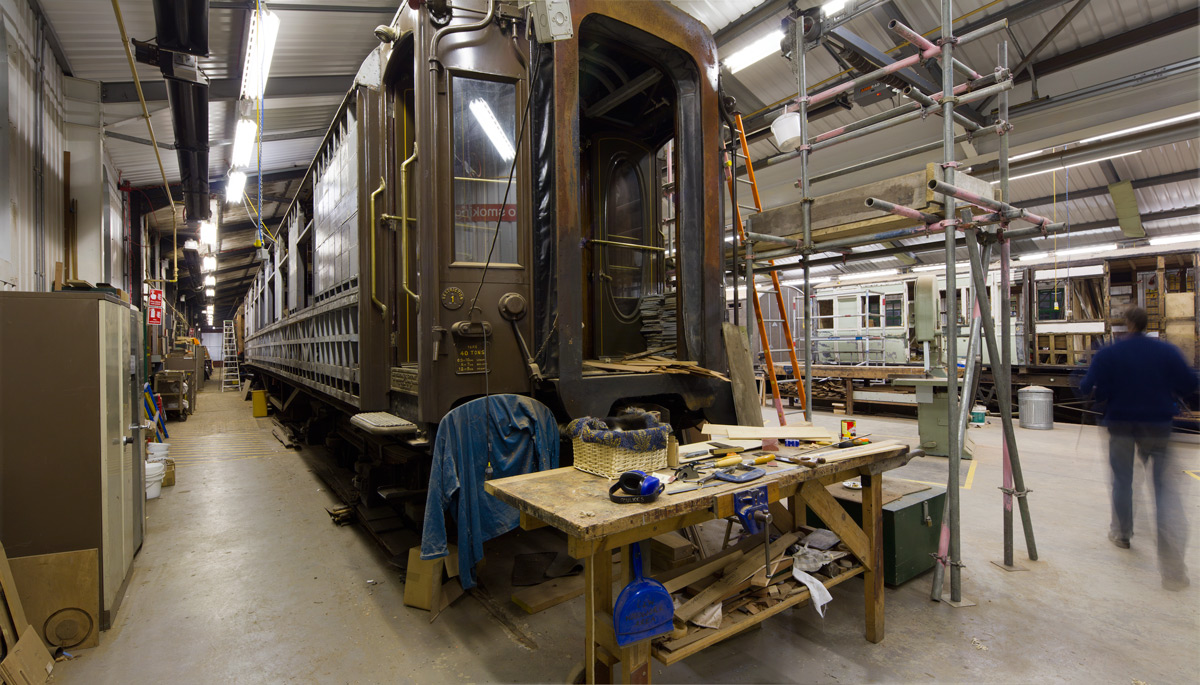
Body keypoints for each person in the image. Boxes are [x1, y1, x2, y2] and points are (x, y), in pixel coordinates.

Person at [1080, 307, 1198, 591]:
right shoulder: (1166, 352)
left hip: (1120, 425)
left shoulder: (1109, 353)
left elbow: (1086, 387)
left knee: (1123, 481)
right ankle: (1173, 572)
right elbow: (1191, 384)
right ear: (1147, 325)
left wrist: (1104, 391)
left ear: (1127, 324)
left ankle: (1122, 534)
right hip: (1158, 427)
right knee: (1165, 493)